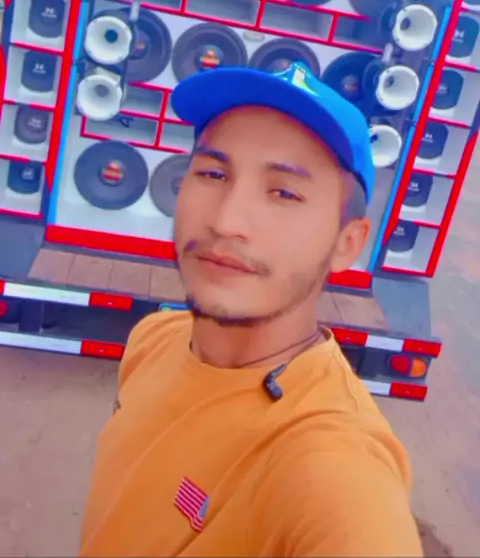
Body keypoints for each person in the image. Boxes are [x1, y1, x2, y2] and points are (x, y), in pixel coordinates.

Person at [79, 62, 423, 557]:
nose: (226, 220)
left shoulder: (330, 463)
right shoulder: (154, 338)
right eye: (213, 173)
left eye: (284, 192)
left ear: (347, 243)